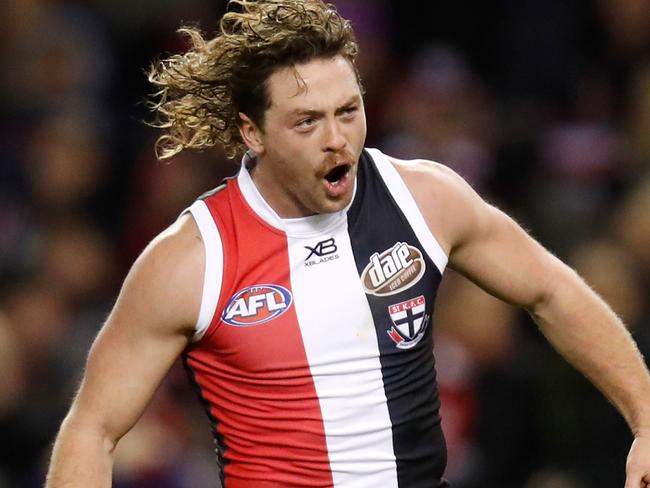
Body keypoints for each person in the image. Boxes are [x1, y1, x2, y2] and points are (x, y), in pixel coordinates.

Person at [45, 1, 650, 487]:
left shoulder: (425, 199)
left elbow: (552, 290)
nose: (337, 139)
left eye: (348, 111)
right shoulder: (193, 258)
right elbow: (92, 428)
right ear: (251, 132)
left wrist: (646, 419)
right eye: (307, 121)